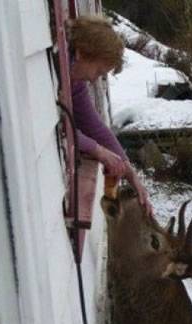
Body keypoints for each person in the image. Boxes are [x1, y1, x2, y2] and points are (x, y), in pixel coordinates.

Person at [68, 14, 153, 215]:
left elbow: (95, 127)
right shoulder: (52, 76)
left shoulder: (74, 81)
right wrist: (97, 150)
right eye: (97, 71)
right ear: (81, 53)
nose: (92, 79)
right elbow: (57, 128)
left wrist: (131, 175)